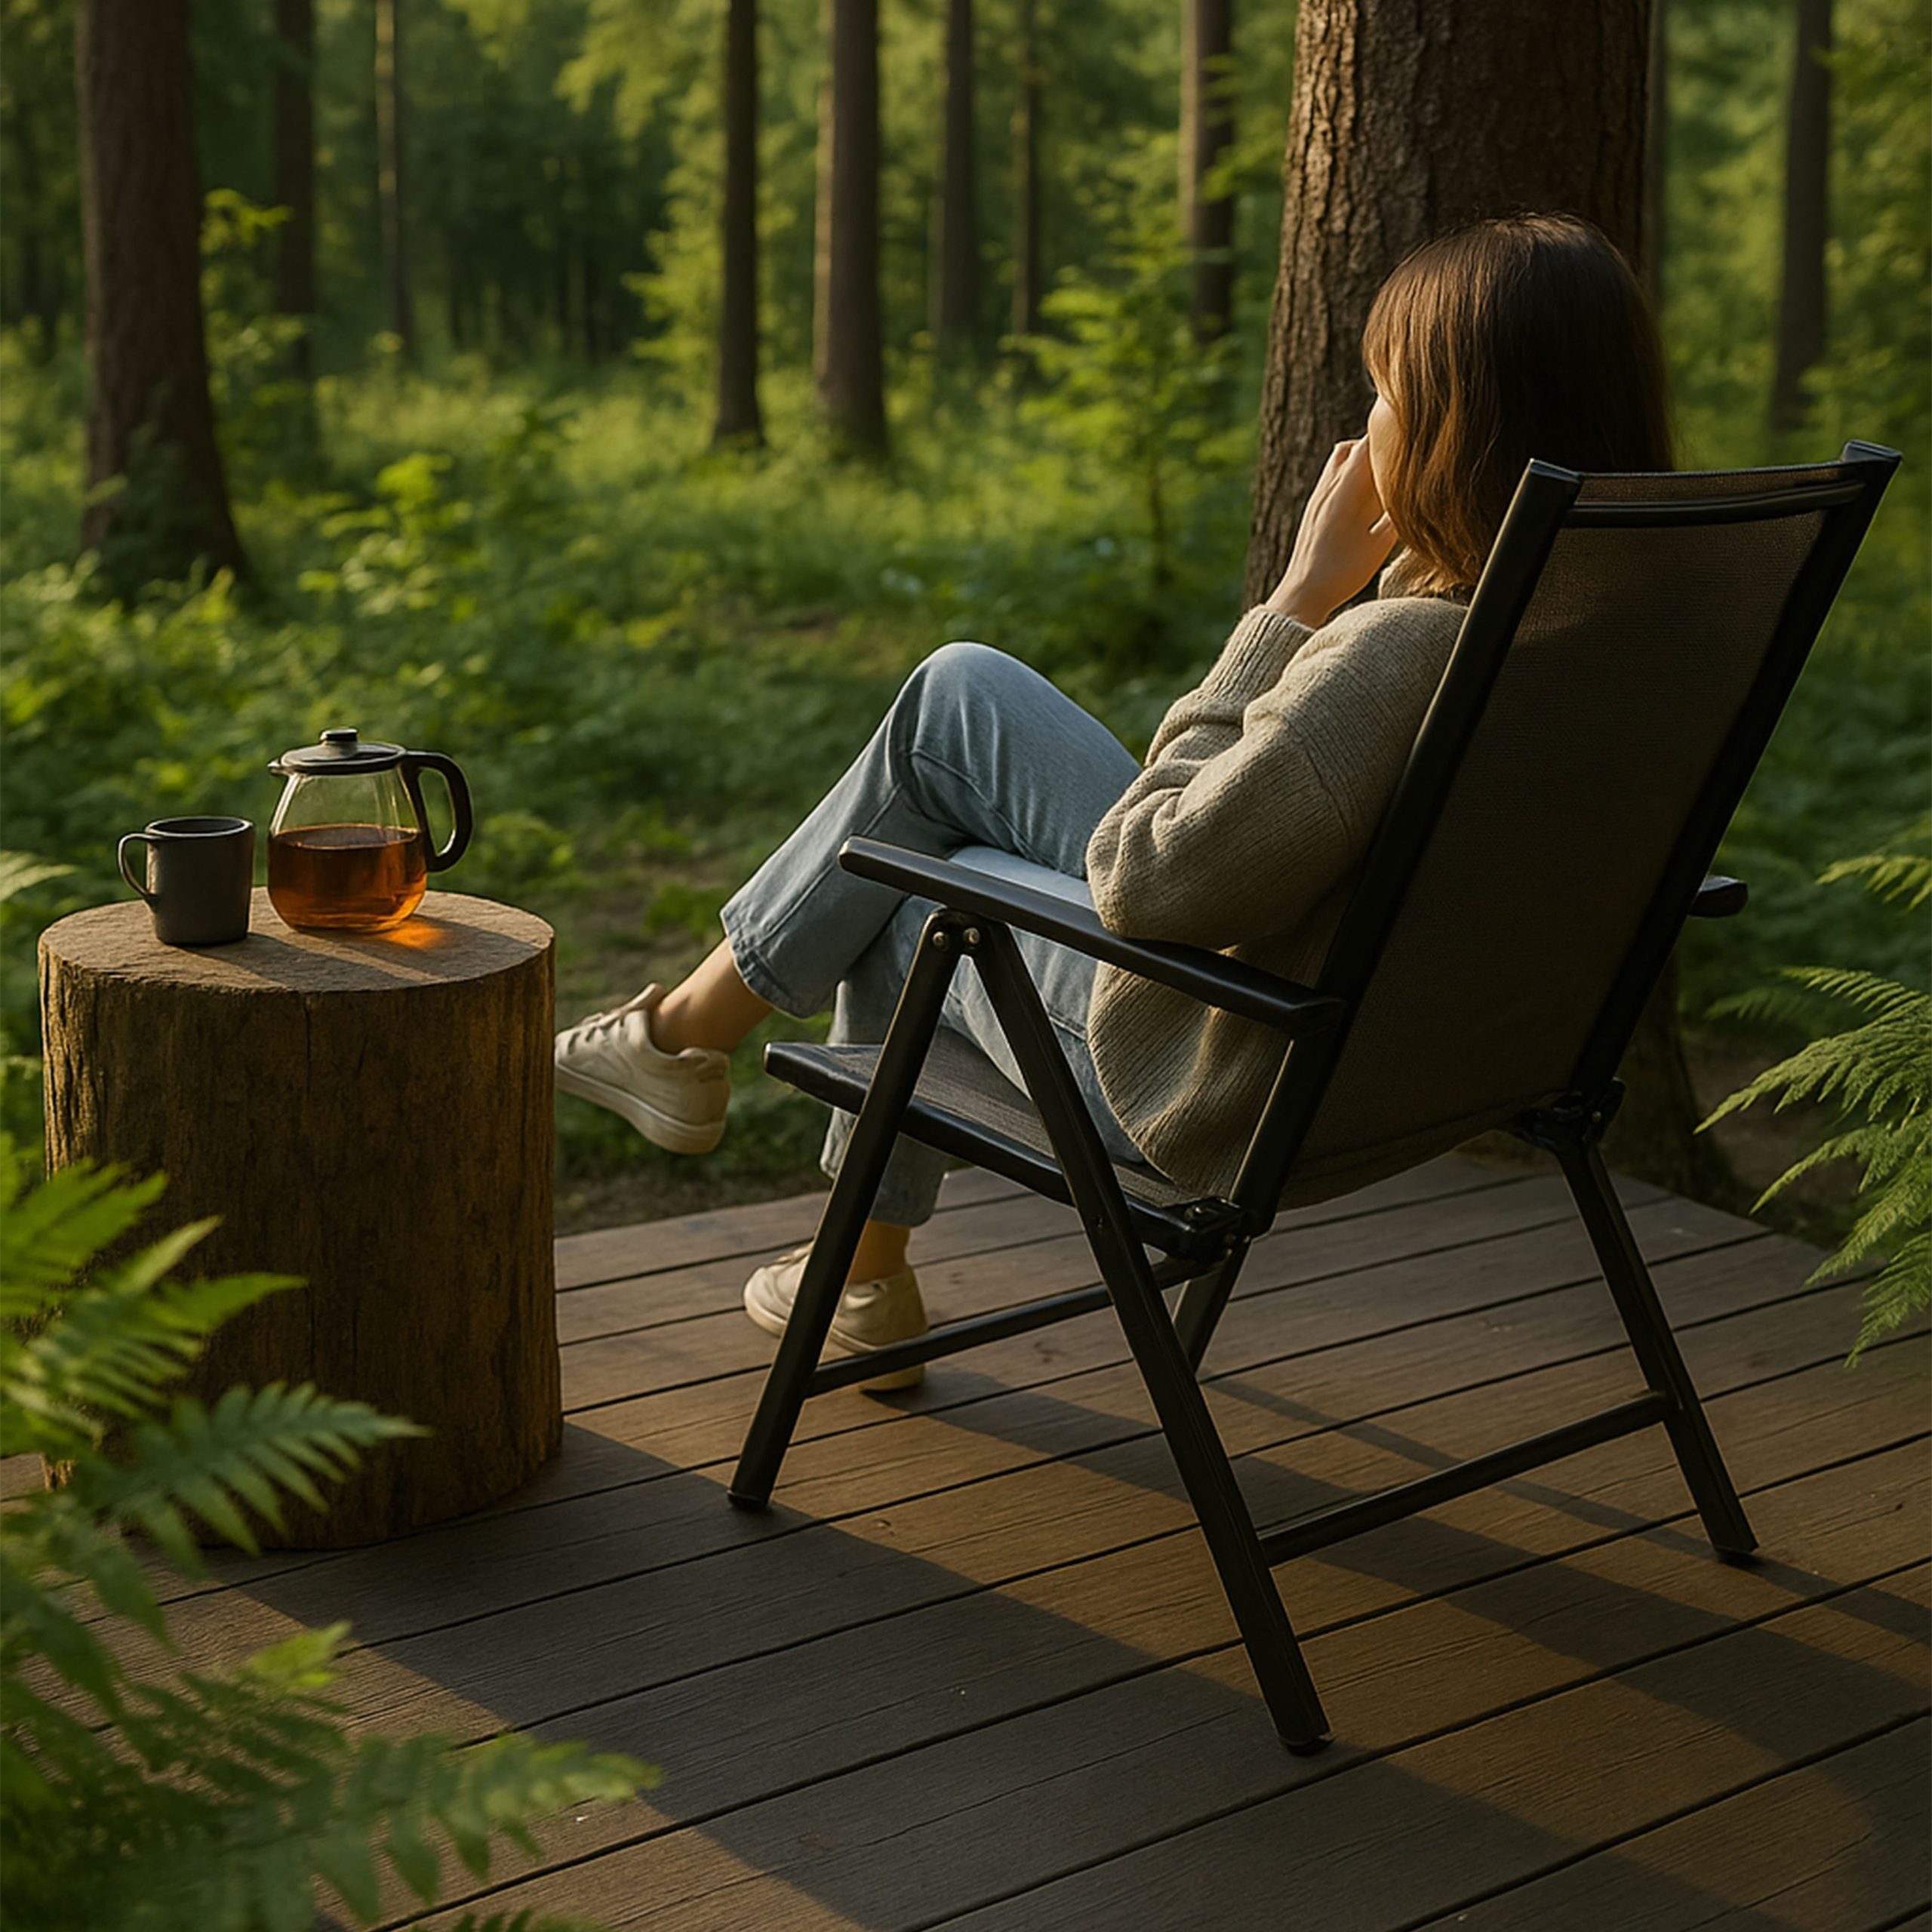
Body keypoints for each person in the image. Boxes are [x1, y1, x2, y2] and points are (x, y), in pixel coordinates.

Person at [554, 212, 1675, 1384]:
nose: (1360, 432)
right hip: (1432, 1058)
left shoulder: (1400, 656)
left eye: (1384, 395)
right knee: (963, 695)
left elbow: (1150, 880)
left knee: (912, 893)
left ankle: (752, 1135)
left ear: (1457, 430)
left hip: (1220, 1072)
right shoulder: (1624, 639)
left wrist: (1295, 604)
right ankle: (786, 1184)